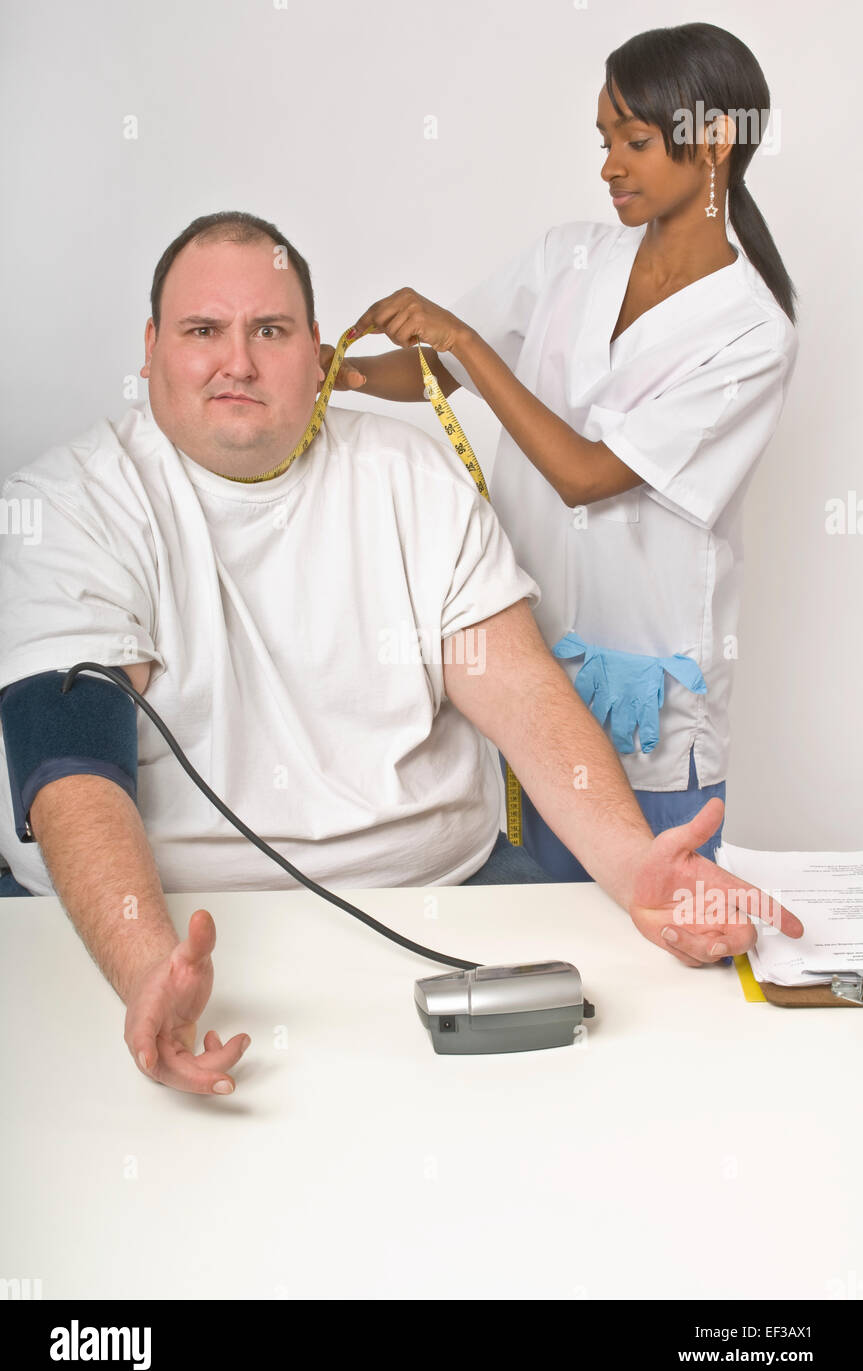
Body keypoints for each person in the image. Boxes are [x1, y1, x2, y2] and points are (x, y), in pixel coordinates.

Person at [0, 211, 802, 1098]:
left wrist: (630, 861)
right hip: (170, 926)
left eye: (269, 331)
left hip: (435, 893)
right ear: (150, 348)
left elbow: (525, 698)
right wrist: (146, 962)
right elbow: (71, 767)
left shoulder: (412, 477)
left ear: (318, 350)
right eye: (202, 332)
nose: (238, 361)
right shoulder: (69, 502)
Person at [326, 22, 799, 882]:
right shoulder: (567, 259)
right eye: (604, 140)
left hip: (644, 710)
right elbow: (440, 366)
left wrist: (467, 341)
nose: (609, 164)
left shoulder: (750, 335)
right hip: (525, 680)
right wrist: (334, 373)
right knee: (529, 935)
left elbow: (583, 474)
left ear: (715, 141)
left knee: (650, 938)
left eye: (636, 140)